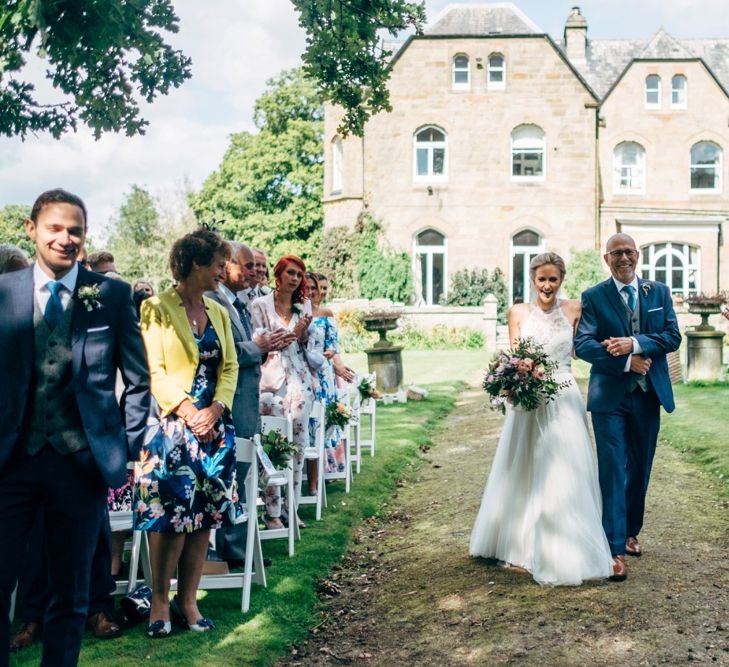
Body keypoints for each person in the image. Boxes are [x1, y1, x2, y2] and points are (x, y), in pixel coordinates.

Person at [0, 188, 150, 666]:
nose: (65, 239)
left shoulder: (111, 295)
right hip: (11, 463)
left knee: (71, 593)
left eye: (75, 231)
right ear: (32, 229)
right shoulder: (4, 294)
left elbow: (139, 380)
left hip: (82, 464)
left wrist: (125, 450)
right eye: (55, 228)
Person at [470, 252, 614, 586]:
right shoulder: (517, 312)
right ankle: (521, 539)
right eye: (541, 279)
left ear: (562, 279)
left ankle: (567, 541)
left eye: (553, 279)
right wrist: (518, 378)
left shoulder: (575, 309)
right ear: (532, 279)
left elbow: (584, 347)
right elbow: (516, 356)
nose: (547, 286)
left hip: (564, 392)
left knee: (566, 464)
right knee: (525, 463)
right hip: (530, 399)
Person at [134, 228, 240, 637]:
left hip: (215, 434)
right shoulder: (156, 308)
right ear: (195, 264)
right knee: (169, 521)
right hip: (172, 431)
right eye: (217, 264)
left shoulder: (218, 311)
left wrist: (215, 409)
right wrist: (190, 411)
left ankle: (189, 601)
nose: (221, 272)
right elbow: (153, 371)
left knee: (204, 519)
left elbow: (228, 367)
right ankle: (159, 602)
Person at [575, 233, 681, 581]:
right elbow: (584, 345)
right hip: (610, 399)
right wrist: (624, 362)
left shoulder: (659, 292)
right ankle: (614, 548)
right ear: (606, 259)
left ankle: (631, 531)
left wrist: (634, 344)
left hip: (649, 395)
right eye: (616, 253)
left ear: (638, 256)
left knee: (640, 468)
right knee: (613, 470)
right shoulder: (593, 296)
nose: (624, 258)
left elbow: (672, 336)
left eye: (629, 252)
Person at [205, 241, 291, 565]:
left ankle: (239, 549)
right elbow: (226, 353)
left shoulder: (236, 302)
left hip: (245, 400)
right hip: (229, 401)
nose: (252, 271)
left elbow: (245, 348)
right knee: (232, 476)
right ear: (228, 267)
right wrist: (258, 347)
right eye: (246, 264)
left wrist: (266, 346)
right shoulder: (214, 301)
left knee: (241, 477)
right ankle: (232, 552)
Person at [250, 255, 315, 528]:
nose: (295, 279)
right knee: (274, 445)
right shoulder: (260, 305)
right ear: (278, 274)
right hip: (272, 381)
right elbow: (263, 341)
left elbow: (303, 343)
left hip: (299, 377)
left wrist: (302, 333)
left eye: (299, 275)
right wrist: (294, 330)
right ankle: (272, 511)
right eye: (290, 273)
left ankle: (292, 506)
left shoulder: (303, 306)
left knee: (298, 446)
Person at [306, 273, 346, 476]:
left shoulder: (326, 313)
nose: (314, 292)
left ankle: (327, 469)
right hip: (303, 371)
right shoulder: (295, 313)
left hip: (323, 372)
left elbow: (333, 345)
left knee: (324, 418)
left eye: (316, 288)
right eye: (310, 287)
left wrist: (327, 353)